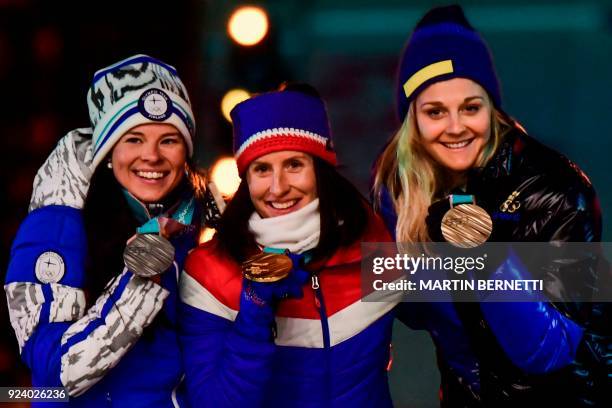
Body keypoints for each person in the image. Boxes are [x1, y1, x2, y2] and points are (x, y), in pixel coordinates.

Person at [372, 5, 610, 407]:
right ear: (413, 120)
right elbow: (405, 305)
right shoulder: (400, 184)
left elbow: (546, 351)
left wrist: (483, 255)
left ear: (492, 107)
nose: (456, 126)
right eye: (435, 112)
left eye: (470, 107)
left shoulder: (559, 189)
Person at [5, 54, 221, 407]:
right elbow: (58, 373)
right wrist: (140, 279)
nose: (151, 155)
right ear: (107, 150)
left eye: (168, 140)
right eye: (133, 139)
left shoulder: (207, 225)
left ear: (187, 151)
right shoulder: (60, 223)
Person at [179, 84, 400, 407]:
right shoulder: (209, 272)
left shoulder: (369, 239)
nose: (278, 187)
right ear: (246, 179)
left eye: (294, 165)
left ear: (320, 170)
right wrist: (255, 311)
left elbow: (447, 306)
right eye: (262, 169)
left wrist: (472, 242)